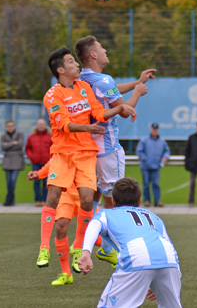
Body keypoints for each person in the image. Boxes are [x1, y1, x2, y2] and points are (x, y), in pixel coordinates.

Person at [36, 47, 136, 280]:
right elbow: (64, 124)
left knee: (88, 201)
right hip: (63, 153)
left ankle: (79, 245)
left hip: (86, 153)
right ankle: (44, 247)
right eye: (71, 62)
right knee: (52, 196)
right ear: (61, 70)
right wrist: (88, 128)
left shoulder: (84, 87)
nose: (76, 65)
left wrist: (120, 108)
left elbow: (99, 112)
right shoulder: (52, 95)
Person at [74, 35, 152, 264]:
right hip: (108, 149)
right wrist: (138, 93)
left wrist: (137, 82)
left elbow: (112, 89)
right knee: (115, 202)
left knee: (95, 199)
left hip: (90, 149)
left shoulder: (84, 79)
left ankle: (82, 244)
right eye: (101, 47)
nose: (105, 49)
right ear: (93, 55)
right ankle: (108, 247)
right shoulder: (103, 80)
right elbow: (124, 111)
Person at [78, 177, 182, 308]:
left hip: (136, 256)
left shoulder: (107, 213)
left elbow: (94, 224)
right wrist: (162, 282)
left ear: (113, 201)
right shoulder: (154, 217)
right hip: (169, 260)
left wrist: (86, 252)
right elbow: (170, 247)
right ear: (139, 201)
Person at [28, 161, 104, 285]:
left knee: (95, 235)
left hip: (85, 194)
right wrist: (39, 174)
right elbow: (55, 160)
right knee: (60, 228)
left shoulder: (89, 143)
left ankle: (112, 253)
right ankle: (66, 274)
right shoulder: (64, 144)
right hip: (65, 193)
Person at [137, 123, 170, 207]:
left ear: (158, 130)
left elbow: (167, 151)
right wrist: (145, 159)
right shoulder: (144, 140)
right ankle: (147, 200)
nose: (155, 131)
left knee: (156, 184)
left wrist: (165, 157)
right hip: (145, 167)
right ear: (151, 129)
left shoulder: (162, 141)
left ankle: (157, 201)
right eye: (153, 129)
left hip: (156, 167)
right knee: (146, 185)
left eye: (156, 129)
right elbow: (139, 151)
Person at [25, 119, 52, 206]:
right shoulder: (31, 137)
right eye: (39, 124)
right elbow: (28, 148)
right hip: (36, 162)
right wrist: (31, 157)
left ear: (45, 125)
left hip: (47, 162)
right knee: (36, 182)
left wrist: (50, 158)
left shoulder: (50, 136)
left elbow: (53, 147)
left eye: (42, 124)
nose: (41, 126)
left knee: (46, 182)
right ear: (37, 125)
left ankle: (44, 200)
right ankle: (38, 200)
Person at [1, 120, 25, 206]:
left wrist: (8, 144)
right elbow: (3, 147)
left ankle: (9, 199)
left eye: (11, 126)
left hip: (17, 160)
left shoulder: (20, 134)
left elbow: (20, 144)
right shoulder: (3, 136)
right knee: (8, 182)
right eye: (8, 126)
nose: (10, 127)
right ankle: (10, 199)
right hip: (7, 161)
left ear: (14, 126)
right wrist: (12, 143)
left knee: (13, 180)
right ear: (6, 127)